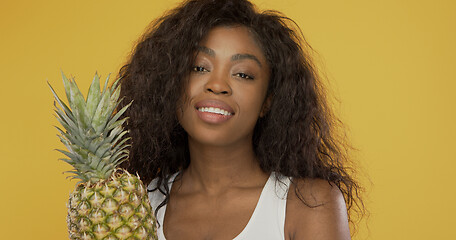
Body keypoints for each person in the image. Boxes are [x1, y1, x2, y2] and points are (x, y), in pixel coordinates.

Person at [118, 0, 364, 239]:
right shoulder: (133, 204)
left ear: (268, 100)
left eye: (243, 74)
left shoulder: (310, 203)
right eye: (199, 68)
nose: (217, 85)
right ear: (169, 83)